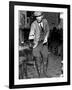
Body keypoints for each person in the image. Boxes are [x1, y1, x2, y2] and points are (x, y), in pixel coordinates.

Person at [29, 11, 50, 77]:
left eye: (39, 16)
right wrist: (32, 43)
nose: (38, 18)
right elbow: (31, 34)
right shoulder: (33, 24)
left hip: (44, 43)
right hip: (36, 43)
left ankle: (45, 72)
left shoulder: (45, 21)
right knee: (37, 59)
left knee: (45, 58)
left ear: (42, 16)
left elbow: (47, 30)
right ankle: (40, 74)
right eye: (37, 17)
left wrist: (46, 37)